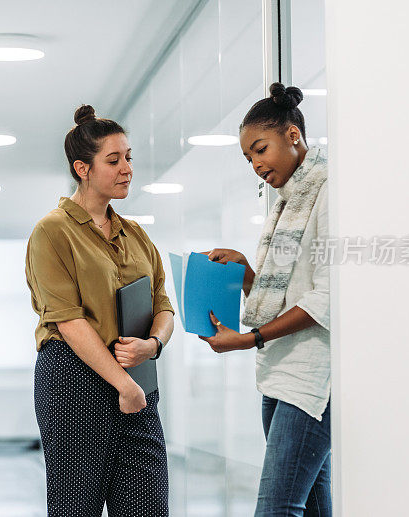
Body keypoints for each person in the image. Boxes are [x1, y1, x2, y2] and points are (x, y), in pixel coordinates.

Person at [25, 104, 175, 517]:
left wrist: (153, 346)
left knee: (148, 505)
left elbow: (163, 304)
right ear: (82, 169)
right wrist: (123, 384)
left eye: (128, 158)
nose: (127, 168)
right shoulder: (52, 231)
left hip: (137, 377)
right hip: (74, 379)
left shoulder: (136, 234)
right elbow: (67, 319)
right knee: (76, 507)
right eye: (114, 160)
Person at [200, 83, 331, 516]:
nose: (256, 164)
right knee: (310, 509)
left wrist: (251, 338)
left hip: (310, 381)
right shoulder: (285, 204)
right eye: (248, 157)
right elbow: (283, 294)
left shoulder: (330, 192)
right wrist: (245, 272)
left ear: (293, 136)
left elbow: (325, 299)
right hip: (276, 376)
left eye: (260, 149)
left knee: (275, 509)